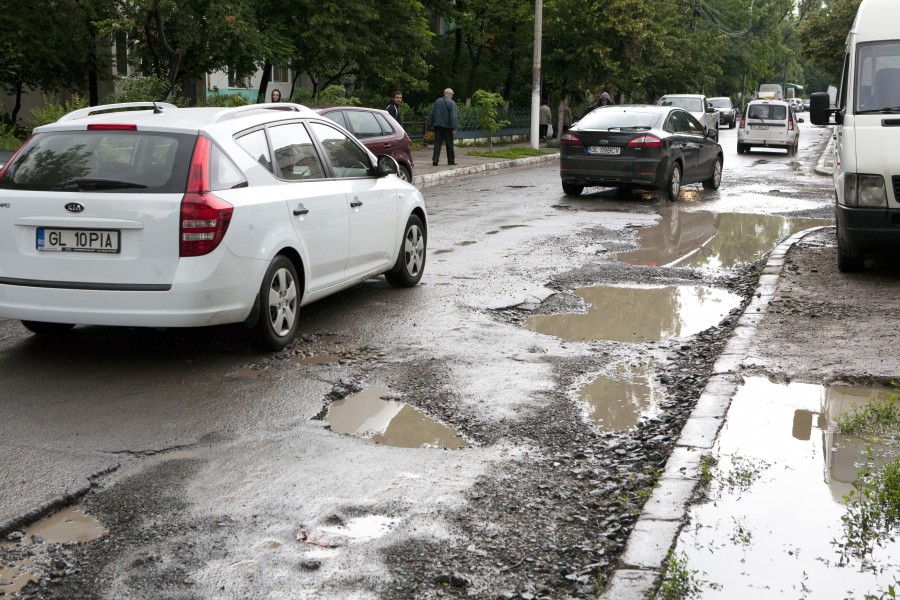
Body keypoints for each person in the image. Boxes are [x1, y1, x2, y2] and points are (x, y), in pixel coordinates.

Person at [428, 88, 458, 166]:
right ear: (450, 94)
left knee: (437, 143)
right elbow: (453, 117)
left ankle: (435, 160)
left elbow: (432, 113)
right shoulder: (452, 103)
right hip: (448, 127)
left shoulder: (437, 101)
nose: (452, 96)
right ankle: (451, 161)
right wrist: (454, 127)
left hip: (437, 126)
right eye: (452, 95)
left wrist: (430, 124)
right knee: (449, 144)